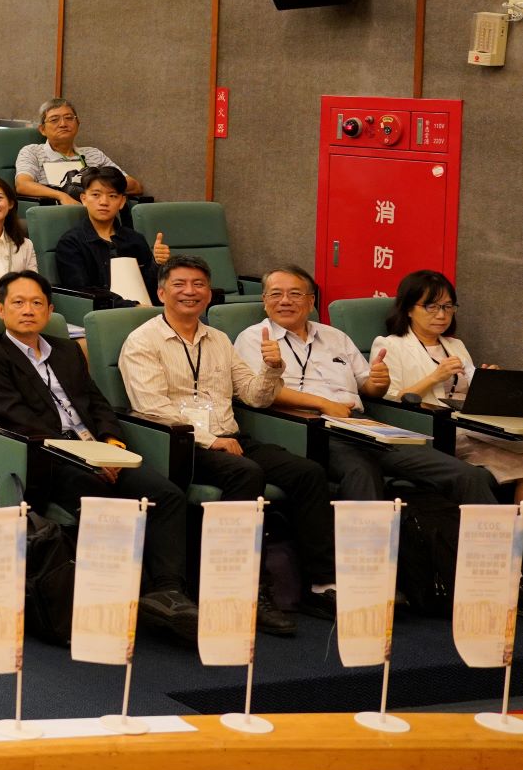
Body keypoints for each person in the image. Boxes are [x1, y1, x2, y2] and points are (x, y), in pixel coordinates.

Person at [0, 273, 196, 643]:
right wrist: (85, 456)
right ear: (0, 308)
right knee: (101, 498)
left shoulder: (66, 350)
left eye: (37, 303)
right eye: (18, 302)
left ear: (50, 309)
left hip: (100, 451)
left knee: (167, 495)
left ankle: (167, 594)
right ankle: (105, 602)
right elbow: (13, 416)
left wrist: (112, 443)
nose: (28, 310)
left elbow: (95, 402)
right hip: (49, 458)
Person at [119, 255, 326, 630]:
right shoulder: (142, 341)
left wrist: (273, 369)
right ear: (161, 292)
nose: (190, 292)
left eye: (199, 284)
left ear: (210, 294)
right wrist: (210, 440)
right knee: (245, 473)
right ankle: (241, 589)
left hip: (231, 435)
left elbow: (254, 396)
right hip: (180, 443)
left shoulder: (219, 339)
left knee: (308, 472)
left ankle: (320, 583)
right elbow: (151, 408)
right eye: (180, 284)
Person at [243, 266, 497, 505]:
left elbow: (369, 387)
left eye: (295, 294)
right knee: (362, 474)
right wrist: (324, 404)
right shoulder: (254, 338)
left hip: (362, 424)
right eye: (276, 294)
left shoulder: (335, 336)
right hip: (309, 427)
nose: (285, 301)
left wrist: (379, 382)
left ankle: (490, 549)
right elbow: (260, 391)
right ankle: (366, 552)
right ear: (264, 302)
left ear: (311, 302)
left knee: (464, 474)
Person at [363, 269, 522, 494]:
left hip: (471, 429)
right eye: (432, 306)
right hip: (432, 429)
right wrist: (435, 377)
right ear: (409, 308)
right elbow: (389, 400)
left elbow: (465, 395)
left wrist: (487, 382)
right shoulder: (390, 345)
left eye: (448, 307)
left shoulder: (454, 345)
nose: (441, 315)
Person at [54, 168, 168, 309]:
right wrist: (131, 307)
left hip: (146, 313)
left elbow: (152, 289)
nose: (104, 202)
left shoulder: (135, 239)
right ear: (84, 199)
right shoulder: (71, 243)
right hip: (103, 317)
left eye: (112, 196)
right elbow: (83, 294)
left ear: (122, 202)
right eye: (96, 195)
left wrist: (157, 264)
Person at [16, 98, 139, 203]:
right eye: (54, 120)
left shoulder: (93, 154)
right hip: (55, 213)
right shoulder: (32, 152)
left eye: (69, 118)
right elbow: (23, 185)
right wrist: (62, 196)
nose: (63, 124)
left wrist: (95, 191)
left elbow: (134, 185)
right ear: (42, 129)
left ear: (78, 123)